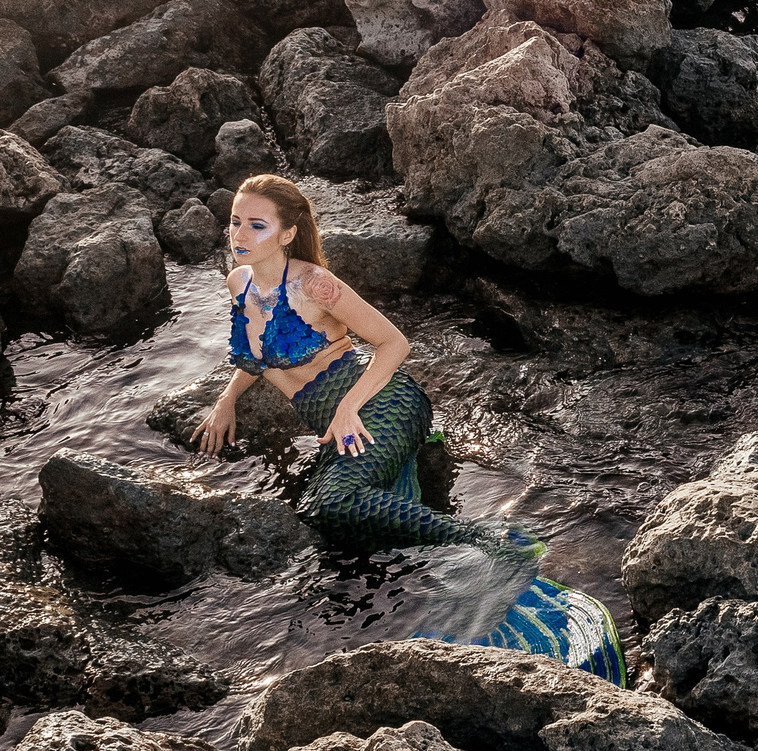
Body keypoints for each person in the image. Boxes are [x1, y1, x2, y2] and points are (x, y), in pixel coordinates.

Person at [193, 174, 624, 683]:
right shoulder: (240, 282)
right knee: (339, 523)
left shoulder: (314, 284)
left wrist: (350, 407)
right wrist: (226, 400)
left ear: (287, 234)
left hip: (384, 403)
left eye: (257, 225)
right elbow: (256, 351)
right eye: (236, 222)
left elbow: (394, 344)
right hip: (337, 420)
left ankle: (494, 543)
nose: (240, 234)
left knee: (332, 501)